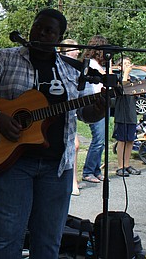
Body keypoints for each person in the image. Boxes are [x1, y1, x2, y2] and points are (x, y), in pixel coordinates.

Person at [0, 8, 105, 258]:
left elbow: (85, 113)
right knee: (6, 239)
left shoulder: (71, 70)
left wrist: (102, 106)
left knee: (49, 242)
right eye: (38, 26)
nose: (40, 32)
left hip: (58, 167)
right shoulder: (5, 58)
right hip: (14, 163)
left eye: (49, 30)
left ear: (59, 37)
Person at [81, 35, 108, 185]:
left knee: (102, 140)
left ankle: (96, 169)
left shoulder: (97, 64)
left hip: (99, 103)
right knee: (98, 140)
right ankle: (88, 171)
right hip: (92, 105)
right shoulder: (91, 64)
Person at [114, 57, 141, 177]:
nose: (128, 65)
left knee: (130, 140)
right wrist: (125, 74)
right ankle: (120, 167)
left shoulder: (133, 79)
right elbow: (123, 89)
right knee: (122, 140)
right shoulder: (118, 78)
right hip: (121, 113)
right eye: (125, 64)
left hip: (131, 113)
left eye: (129, 63)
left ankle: (127, 164)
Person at [60, 38, 81, 196]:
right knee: (73, 146)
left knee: (74, 146)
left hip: (70, 116)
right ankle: (72, 182)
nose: (78, 51)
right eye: (75, 49)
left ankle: (73, 181)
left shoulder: (78, 69)